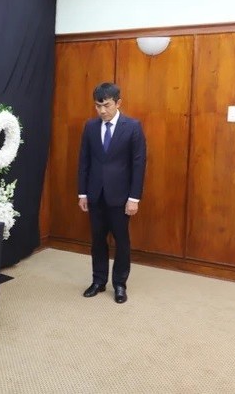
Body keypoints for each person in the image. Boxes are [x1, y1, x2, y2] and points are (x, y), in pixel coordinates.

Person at [77, 82, 147, 304]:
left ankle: (119, 284)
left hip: (121, 197)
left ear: (118, 103)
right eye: (98, 106)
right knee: (97, 240)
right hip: (95, 195)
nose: (102, 111)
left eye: (106, 105)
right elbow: (84, 161)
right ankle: (98, 281)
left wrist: (134, 198)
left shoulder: (133, 127)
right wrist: (82, 193)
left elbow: (138, 165)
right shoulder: (90, 127)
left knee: (121, 241)